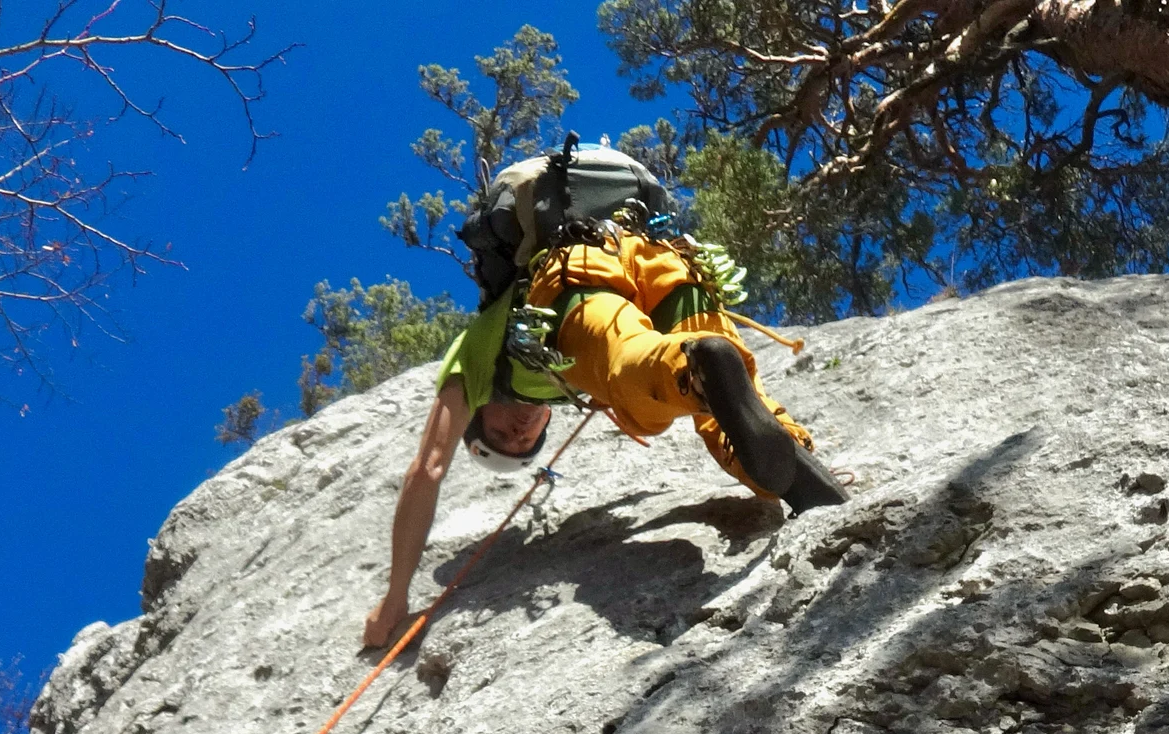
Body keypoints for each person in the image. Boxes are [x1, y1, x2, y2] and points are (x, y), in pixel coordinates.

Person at [361, 224, 844, 651]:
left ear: (479, 414)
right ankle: (793, 463)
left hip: (575, 271)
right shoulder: (556, 385)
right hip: (661, 255)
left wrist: (395, 597)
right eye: (523, 444)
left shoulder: (474, 360)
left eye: (502, 431)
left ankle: (693, 365)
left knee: (634, 373)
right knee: (729, 418)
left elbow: (427, 469)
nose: (520, 431)